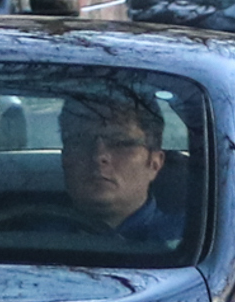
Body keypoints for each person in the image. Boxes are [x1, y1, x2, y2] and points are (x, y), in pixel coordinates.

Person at [61, 97, 185, 247]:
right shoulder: (30, 237)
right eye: (80, 141)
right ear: (65, 158)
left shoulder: (188, 241)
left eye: (120, 143)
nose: (99, 156)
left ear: (155, 163)